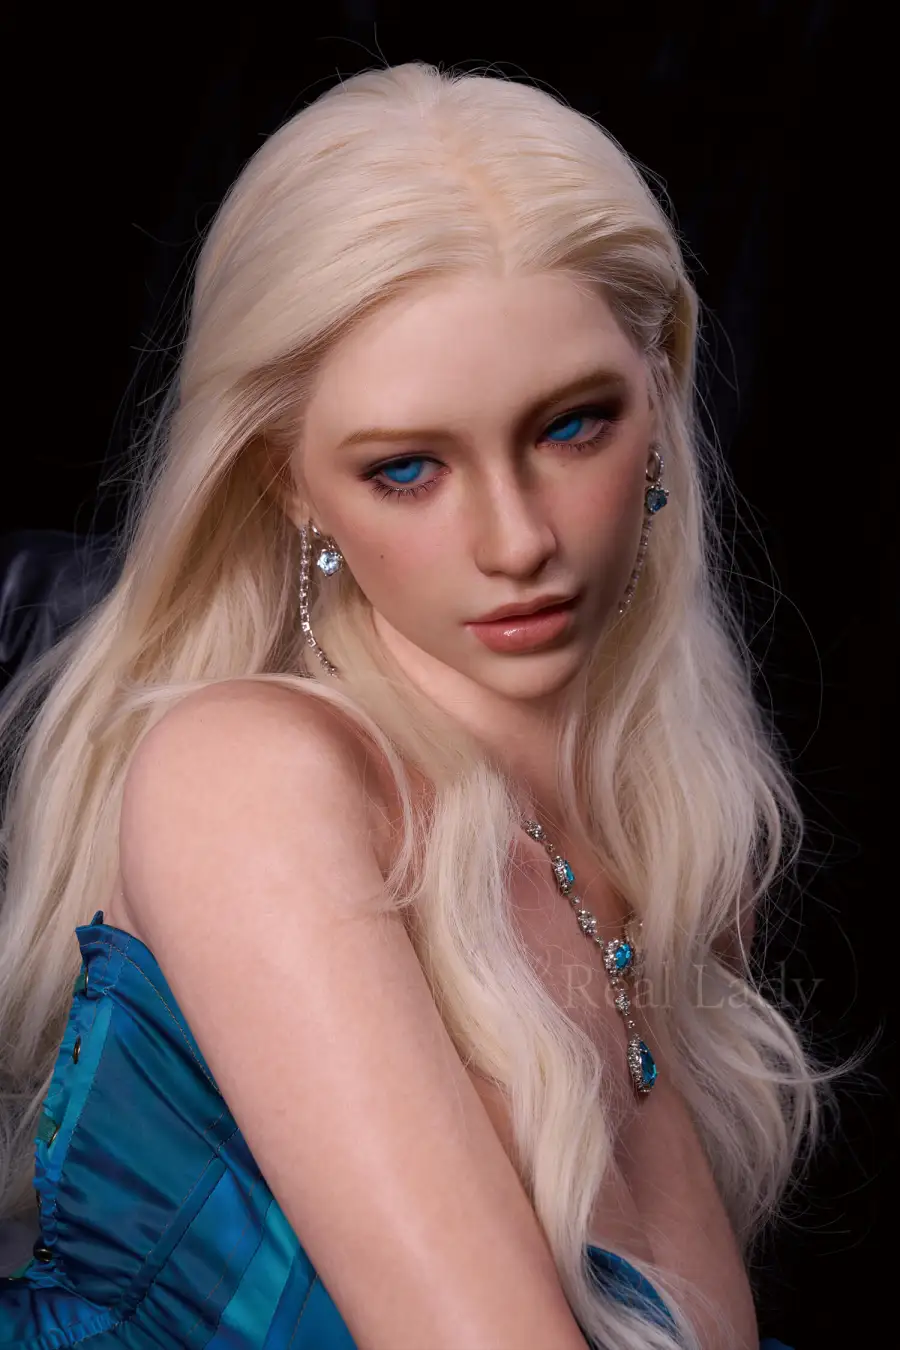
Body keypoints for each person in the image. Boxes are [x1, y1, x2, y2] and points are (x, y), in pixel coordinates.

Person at [0, 60, 826, 1349]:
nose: (517, 541)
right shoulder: (253, 775)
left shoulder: (654, 868)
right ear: (286, 484)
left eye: (572, 427)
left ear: (660, 395)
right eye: (406, 468)